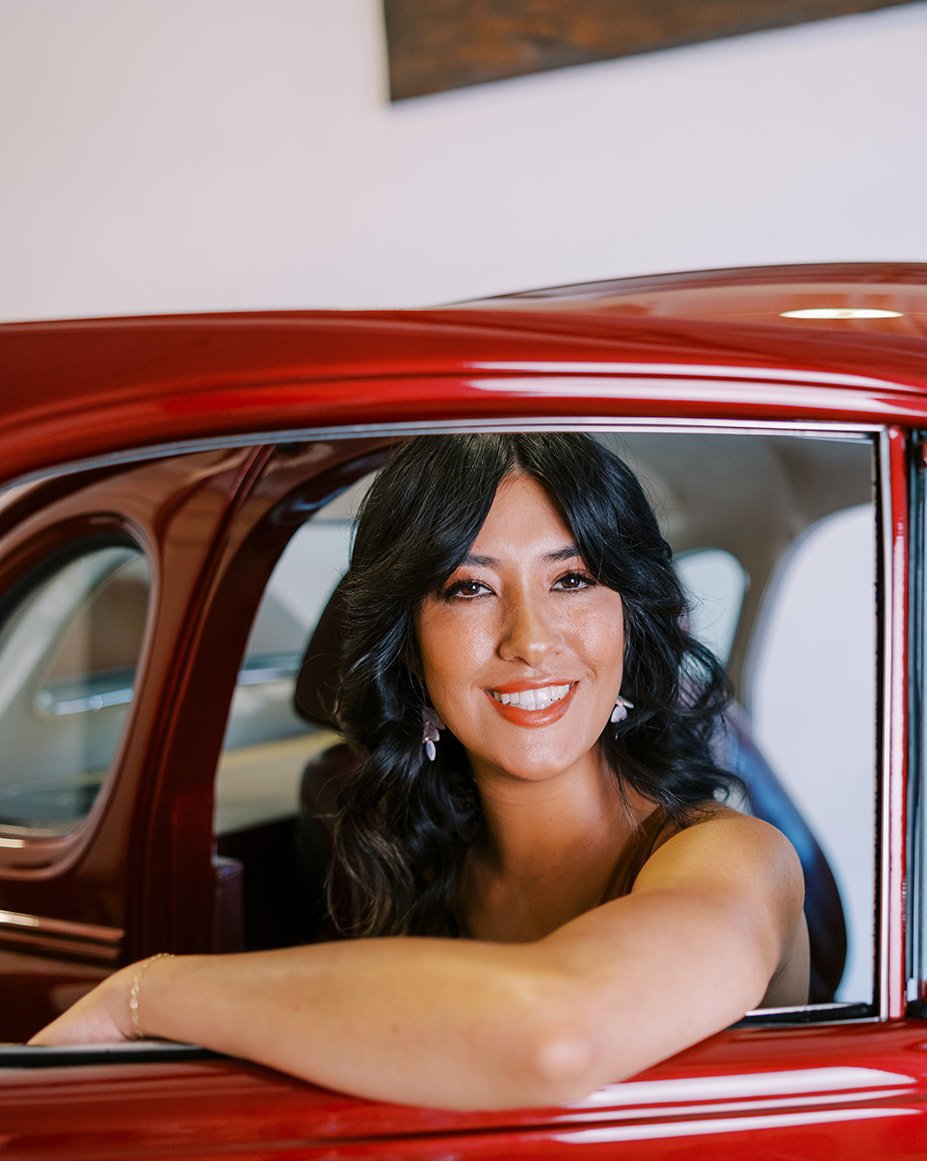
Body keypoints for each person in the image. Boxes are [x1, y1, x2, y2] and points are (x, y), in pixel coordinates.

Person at [31, 433, 809, 1107]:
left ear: (629, 623)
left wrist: (147, 994)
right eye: (469, 588)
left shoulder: (733, 858)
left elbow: (553, 1036)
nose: (531, 641)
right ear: (408, 644)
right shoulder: (403, 853)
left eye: (570, 580)